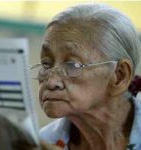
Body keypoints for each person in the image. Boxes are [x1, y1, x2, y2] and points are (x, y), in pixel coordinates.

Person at [29, 3, 141, 150]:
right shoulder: (45, 142)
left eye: (72, 65)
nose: (51, 82)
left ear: (119, 76)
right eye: (46, 64)